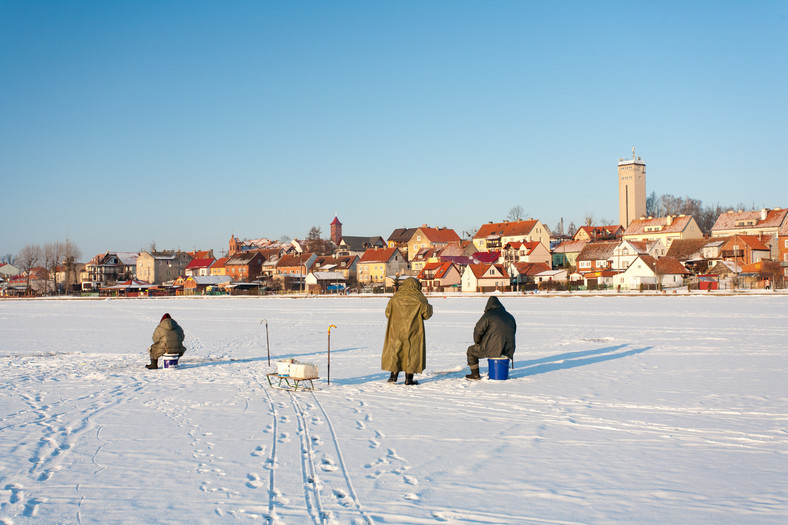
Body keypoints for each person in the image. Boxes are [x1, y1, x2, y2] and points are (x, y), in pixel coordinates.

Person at [381, 277, 433, 385]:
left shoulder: (395, 298)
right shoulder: (420, 298)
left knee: (396, 350)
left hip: (396, 329)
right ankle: (409, 379)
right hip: (414, 329)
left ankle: (393, 377)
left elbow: (388, 313)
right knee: (412, 352)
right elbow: (426, 315)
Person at [466, 296, 516, 380]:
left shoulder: (488, 315)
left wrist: (477, 342)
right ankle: (497, 372)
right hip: (508, 349)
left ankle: (475, 375)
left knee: (471, 351)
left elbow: (478, 330)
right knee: (497, 354)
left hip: (492, 347)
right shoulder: (510, 316)